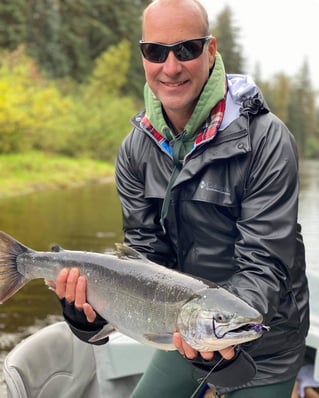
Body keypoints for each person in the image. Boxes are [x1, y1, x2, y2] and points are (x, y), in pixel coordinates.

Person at [54, 0, 309, 397]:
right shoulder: (135, 150)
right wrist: (91, 318)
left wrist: (212, 330)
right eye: (156, 51)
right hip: (179, 328)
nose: (170, 67)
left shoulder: (267, 141)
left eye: (186, 49)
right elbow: (143, 259)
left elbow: (265, 266)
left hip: (264, 338)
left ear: (210, 50)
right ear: (143, 57)